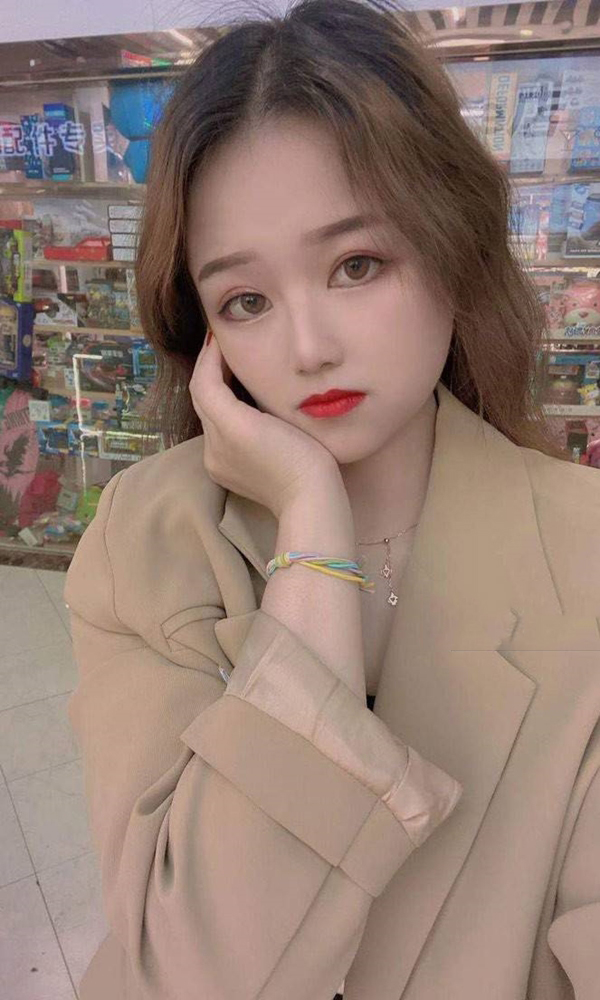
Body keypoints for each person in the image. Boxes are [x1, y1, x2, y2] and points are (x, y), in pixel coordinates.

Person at [64, 1, 600, 998]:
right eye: (247, 300)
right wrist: (313, 524)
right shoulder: (145, 540)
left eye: (357, 265)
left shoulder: (586, 547)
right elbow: (195, 970)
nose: (308, 347)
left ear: (453, 249)